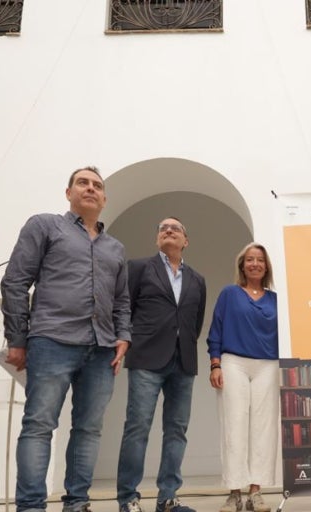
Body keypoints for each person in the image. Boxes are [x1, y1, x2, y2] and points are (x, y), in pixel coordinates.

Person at [1, 166, 131, 512]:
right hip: (51, 340)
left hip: (102, 350)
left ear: (104, 198)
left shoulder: (115, 248)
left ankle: (77, 503)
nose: (90, 189)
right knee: (39, 425)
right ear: (69, 192)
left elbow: (122, 300)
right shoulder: (44, 225)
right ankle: (30, 507)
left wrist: (123, 337)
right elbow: (15, 281)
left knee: (89, 430)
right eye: (82, 183)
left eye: (97, 185)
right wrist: (17, 338)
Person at [116, 217, 206, 512]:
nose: (169, 230)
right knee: (137, 428)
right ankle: (128, 498)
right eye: (163, 228)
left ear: (186, 241)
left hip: (184, 363)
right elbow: (124, 310)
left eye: (176, 228)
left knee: (177, 430)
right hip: (146, 359)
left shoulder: (197, 279)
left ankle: (168, 498)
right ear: (158, 240)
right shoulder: (140, 268)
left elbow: (196, 322)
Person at [207, 243, 279, 512]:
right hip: (233, 362)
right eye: (250, 259)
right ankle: (234, 492)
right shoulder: (230, 294)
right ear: (242, 265)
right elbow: (216, 330)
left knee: (263, 428)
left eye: (260, 260)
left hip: (268, 366)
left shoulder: (275, 300)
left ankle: (256, 493)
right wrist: (215, 364)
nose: (255, 264)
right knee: (234, 425)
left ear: (266, 266)